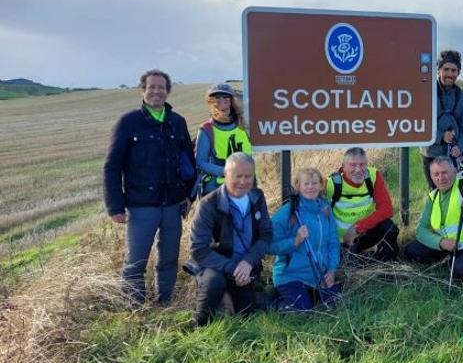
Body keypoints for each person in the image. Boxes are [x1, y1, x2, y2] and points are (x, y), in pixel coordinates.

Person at [103, 69, 195, 305]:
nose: (156, 91)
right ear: (142, 90)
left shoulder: (177, 121)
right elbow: (112, 167)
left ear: (167, 91)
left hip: (173, 205)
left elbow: (188, 161)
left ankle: (164, 302)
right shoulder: (128, 122)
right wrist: (115, 206)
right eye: (152, 87)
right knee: (136, 261)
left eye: (161, 87)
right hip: (141, 205)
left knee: (168, 259)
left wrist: (187, 196)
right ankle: (136, 308)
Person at [188, 153, 272, 326]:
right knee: (214, 284)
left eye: (248, 176)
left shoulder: (257, 197)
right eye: (237, 176)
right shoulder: (208, 204)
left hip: (245, 267)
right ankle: (200, 324)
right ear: (225, 175)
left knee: (248, 316)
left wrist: (248, 262)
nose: (243, 181)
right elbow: (198, 249)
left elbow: (266, 234)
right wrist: (234, 268)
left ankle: (228, 303)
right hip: (216, 266)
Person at [403, 156, 463, 290]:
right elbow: (420, 230)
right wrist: (441, 242)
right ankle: (451, 262)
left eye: (445, 172)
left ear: (455, 171)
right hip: (449, 247)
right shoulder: (433, 197)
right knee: (411, 250)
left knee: (461, 269)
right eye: (436, 174)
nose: (441, 178)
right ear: (431, 177)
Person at [271, 168, 341, 311]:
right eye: (306, 184)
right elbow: (269, 245)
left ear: (321, 185)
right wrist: (295, 241)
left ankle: (309, 294)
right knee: (303, 310)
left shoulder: (325, 209)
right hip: (290, 276)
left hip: (318, 274)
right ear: (298, 186)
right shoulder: (288, 212)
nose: (310, 187)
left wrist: (332, 271)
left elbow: (333, 242)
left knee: (333, 304)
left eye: (315, 183)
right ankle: (274, 301)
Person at [325, 147, 399, 262]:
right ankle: (357, 259)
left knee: (389, 227)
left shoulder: (373, 176)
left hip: (362, 234)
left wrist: (357, 228)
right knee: (345, 263)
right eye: (353, 165)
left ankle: (387, 268)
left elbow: (387, 209)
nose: (358, 170)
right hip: (340, 241)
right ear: (343, 167)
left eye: (362, 164)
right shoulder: (331, 183)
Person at [419, 50, 463, 189]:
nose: (450, 74)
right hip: (431, 154)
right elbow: (419, 123)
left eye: (454, 70)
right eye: (446, 69)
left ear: (458, 72)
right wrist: (441, 136)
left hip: (452, 155)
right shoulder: (427, 91)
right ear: (438, 70)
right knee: (435, 194)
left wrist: (459, 146)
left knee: (455, 194)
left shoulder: (461, 96)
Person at [193, 83, 252, 197]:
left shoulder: (242, 125)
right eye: (217, 97)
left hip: (245, 187)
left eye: (225, 96)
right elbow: (200, 162)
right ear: (211, 101)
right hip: (216, 190)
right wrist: (228, 172)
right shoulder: (207, 129)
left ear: (231, 100)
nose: (222, 100)